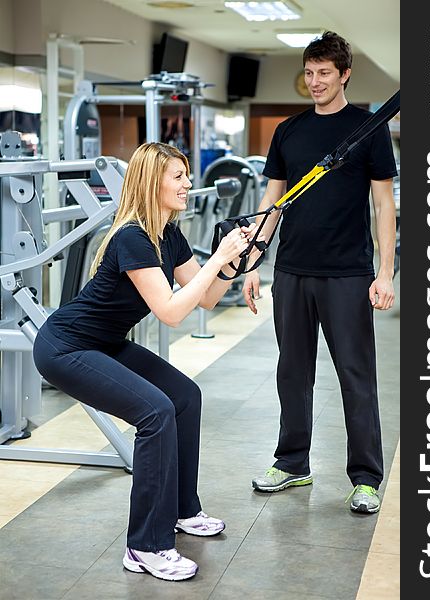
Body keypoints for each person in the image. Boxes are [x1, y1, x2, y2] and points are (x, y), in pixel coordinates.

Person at [33, 142, 260, 581]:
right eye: (178, 176)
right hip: (66, 347)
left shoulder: (168, 234)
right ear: (151, 182)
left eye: (186, 175)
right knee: (155, 412)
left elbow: (207, 299)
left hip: (105, 342)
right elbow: (171, 313)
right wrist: (218, 257)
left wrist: (235, 261)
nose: (188, 184)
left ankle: (181, 510)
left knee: (185, 397)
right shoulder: (132, 237)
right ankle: (145, 546)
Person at [244, 31, 397, 514]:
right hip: (291, 269)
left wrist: (386, 271)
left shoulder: (367, 129)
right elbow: (273, 200)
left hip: (348, 273)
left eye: (324, 73)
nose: (314, 82)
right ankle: (291, 463)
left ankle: (366, 477)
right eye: (309, 74)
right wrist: (253, 260)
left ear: (344, 74)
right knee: (292, 370)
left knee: (356, 374)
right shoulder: (289, 131)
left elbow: (383, 204)